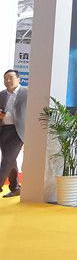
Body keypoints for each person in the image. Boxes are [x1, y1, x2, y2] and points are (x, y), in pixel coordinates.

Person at [0, 69, 26, 198]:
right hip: (3, 129)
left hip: (18, 131)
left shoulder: (27, 92)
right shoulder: (2, 94)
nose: (7, 80)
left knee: (6, 160)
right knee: (11, 159)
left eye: (11, 77)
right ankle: (15, 187)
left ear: (19, 79)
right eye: (5, 78)